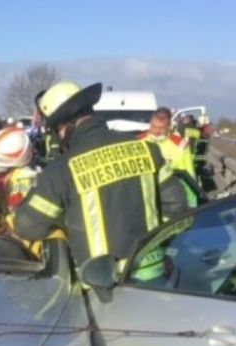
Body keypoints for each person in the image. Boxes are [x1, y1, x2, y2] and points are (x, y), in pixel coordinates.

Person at [11, 81, 188, 265]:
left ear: (66, 125)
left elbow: (27, 226)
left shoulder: (61, 171)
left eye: (56, 130)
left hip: (100, 286)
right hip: (149, 275)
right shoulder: (149, 151)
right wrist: (155, 246)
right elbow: (177, 207)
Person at [139, 108, 204, 210]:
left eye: (161, 128)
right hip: (144, 196)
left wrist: (191, 204)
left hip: (168, 197)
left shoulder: (180, 145)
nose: (156, 132)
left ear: (169, 127)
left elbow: (188, 174)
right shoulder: (139, 141)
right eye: (154, 127)